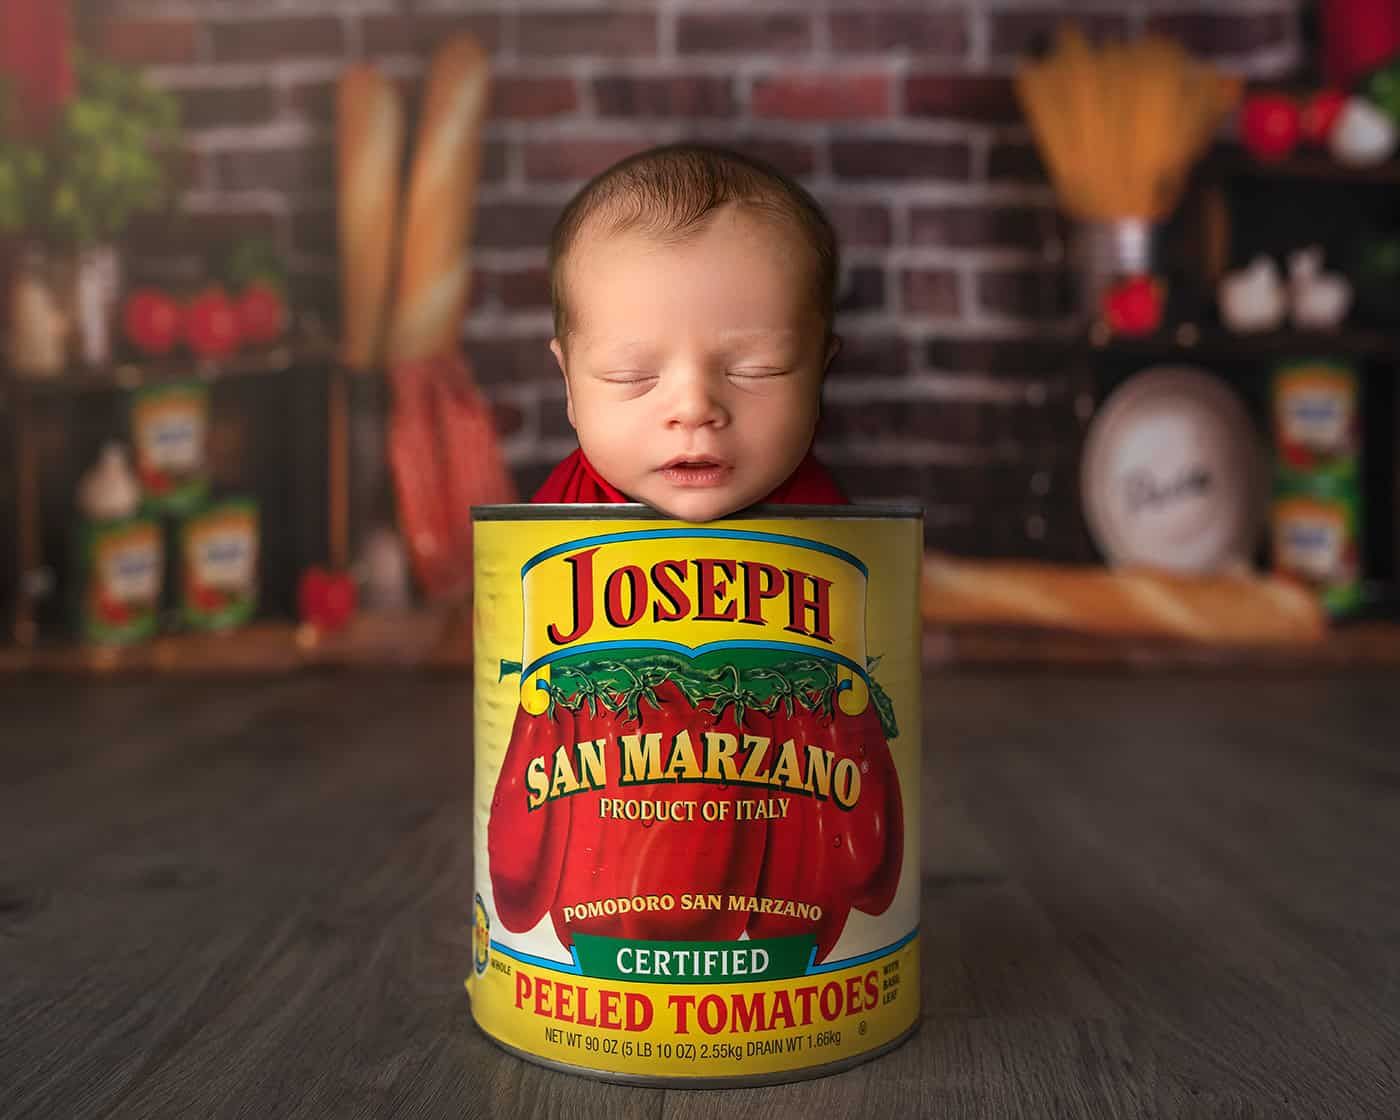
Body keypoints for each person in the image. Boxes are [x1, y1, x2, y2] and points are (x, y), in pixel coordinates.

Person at [531, 143, 849, 520]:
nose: (694, 408)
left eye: (756, 370)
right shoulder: (549, 524)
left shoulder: (839, 533)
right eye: (633, 376)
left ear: (819, 375)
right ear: (570, 385)